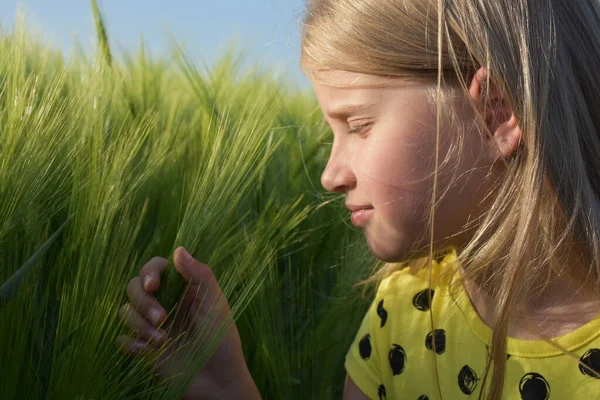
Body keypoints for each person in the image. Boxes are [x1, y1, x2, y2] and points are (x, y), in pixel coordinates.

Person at [116, 0, 600, 398]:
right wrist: (221, 385)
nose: (329, 175)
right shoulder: (407, 308)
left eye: (359, 125)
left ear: (496, 113)